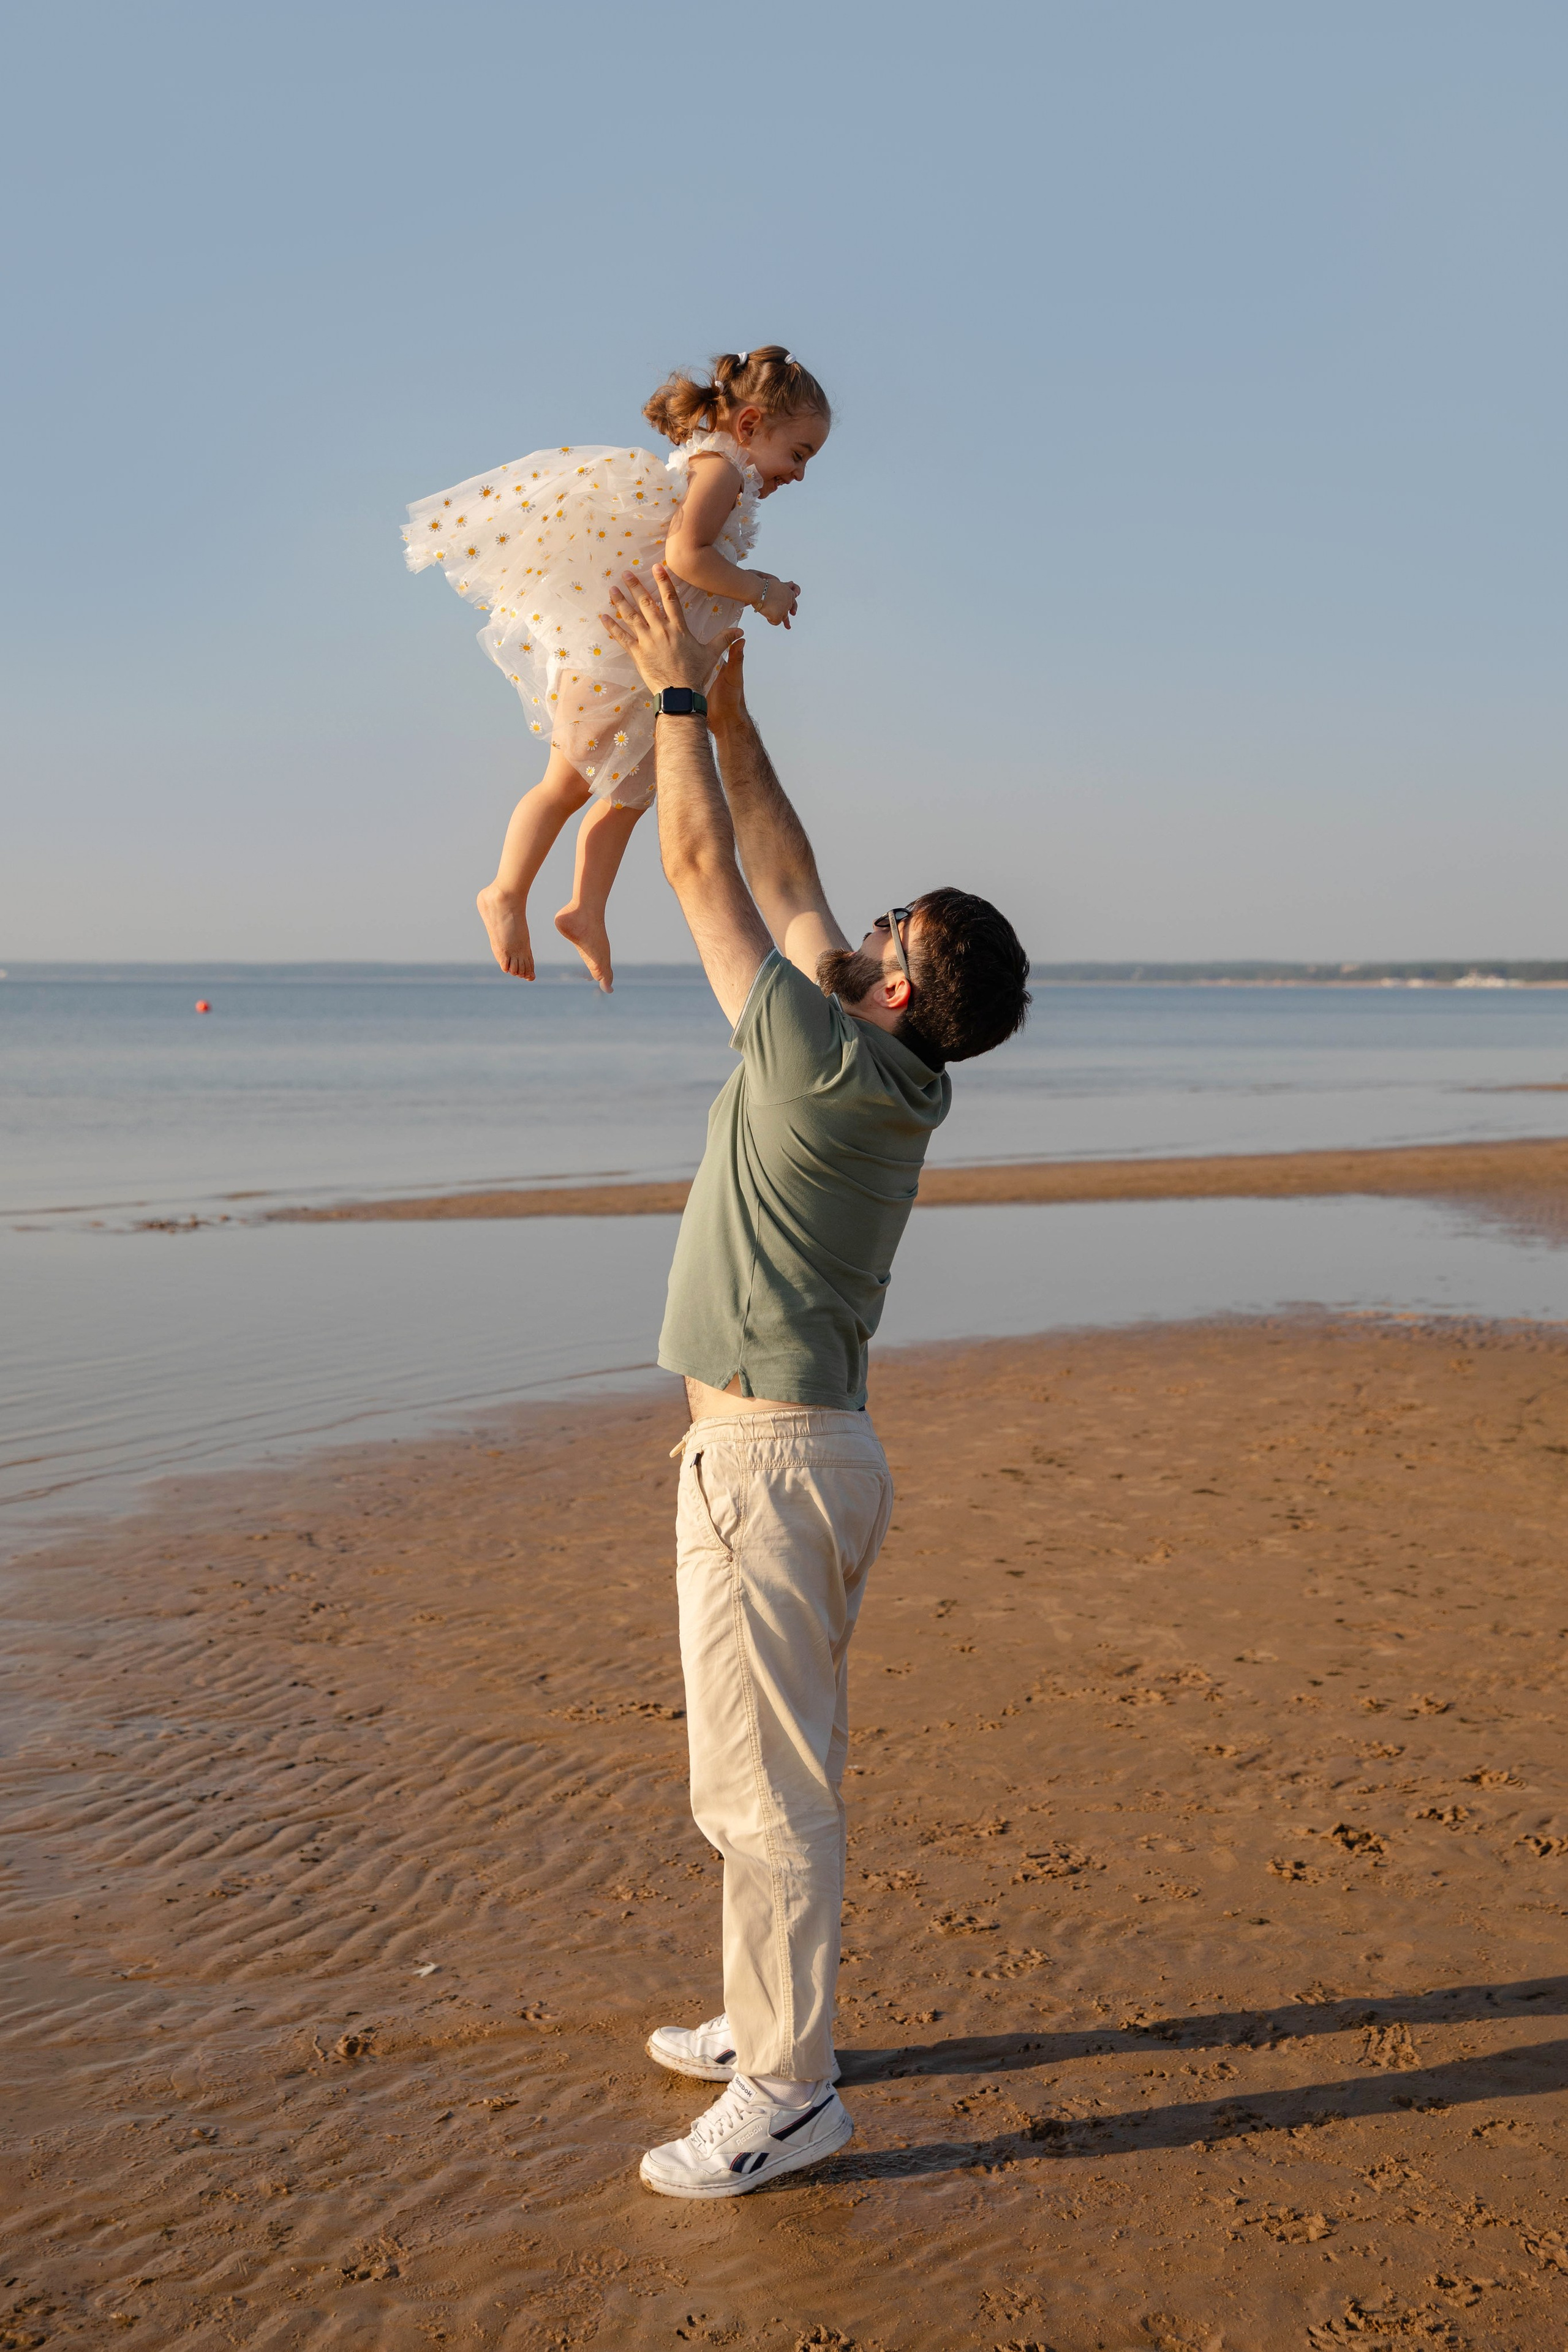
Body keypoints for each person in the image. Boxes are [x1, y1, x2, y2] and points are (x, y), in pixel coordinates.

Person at [595, 562, 1031, 2199]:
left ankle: (792, 2089)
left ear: (900, 988)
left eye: (878, 937)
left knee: (763, 1795)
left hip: (773, 1465)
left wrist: (679, 703)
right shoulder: (878, 1064)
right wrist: (743, 703)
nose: (849, 932)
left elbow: (704, 860)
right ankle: (763, 2012)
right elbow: (779, 860)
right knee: (771, 1781)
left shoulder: (819, 1052)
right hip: (806, 1456)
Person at [403, 345, 829, 992]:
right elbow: (686, 556)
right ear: (748, 427)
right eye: (798, 453)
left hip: (640, 673)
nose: (799, 473)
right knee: (568, 787)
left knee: (630, 797)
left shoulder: (724, 473)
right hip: (617, 665)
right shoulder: (719, 473)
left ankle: (584, 911)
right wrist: (759, 589)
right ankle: (505, 891)